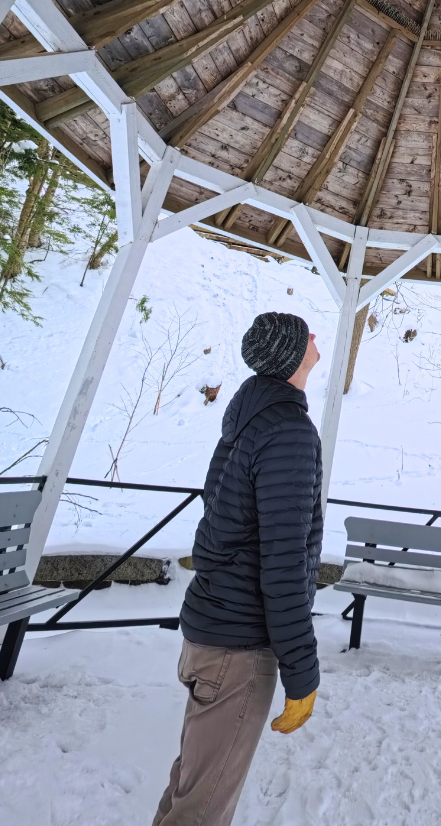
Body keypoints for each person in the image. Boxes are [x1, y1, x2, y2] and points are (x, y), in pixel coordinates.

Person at [152, 311, 323, 826]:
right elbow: (284, 559)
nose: (317, 338)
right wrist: (302, 671)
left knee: (192, 788)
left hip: (211, 635)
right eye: (306, 334)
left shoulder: (247, 419)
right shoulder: (288, 430)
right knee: (201, 809)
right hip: (238, 650)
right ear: (292, 355)